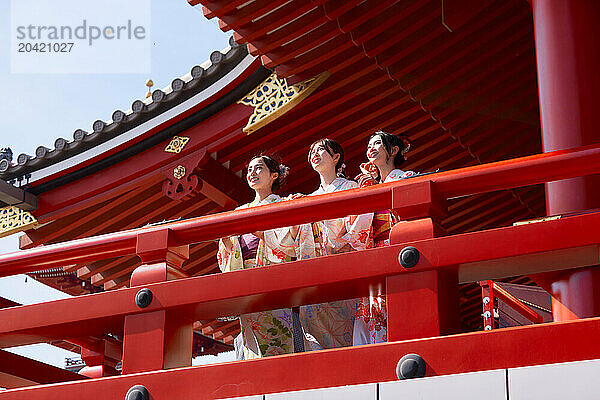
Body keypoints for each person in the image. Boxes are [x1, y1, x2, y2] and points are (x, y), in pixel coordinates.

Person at [217, 155, 309, 359]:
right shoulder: (239, 212)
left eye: (259, 168)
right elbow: (231, 254)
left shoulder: (284, 204)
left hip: (274, 280)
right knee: (252, 343)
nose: (252, 174)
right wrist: (226, 242)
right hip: (248, 283)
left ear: (274, 175)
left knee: (282, 336)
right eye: (249, 170)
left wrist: (262, 234)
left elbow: (289, 245)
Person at [297, 138, 373, 349]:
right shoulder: (309, 198)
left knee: (348, 327)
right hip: (317, 273)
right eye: (312, 150)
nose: (315, 153)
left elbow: (360, 226)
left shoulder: (351, 187)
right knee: (316, 330)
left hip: (344, 266)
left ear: (336, 157)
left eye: (321, 149)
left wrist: (337, 240)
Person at [353, 131, 415, 345]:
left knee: (401, 305)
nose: (370, 148)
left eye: (377, 143)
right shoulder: (368, 184)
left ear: (393, 150)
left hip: (400, 249)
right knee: (374, 308)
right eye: (368, 144)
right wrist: (368, 192)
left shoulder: (407, 178)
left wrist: (377, 190)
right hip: (375, 252)